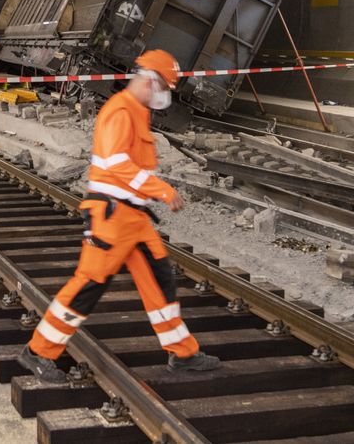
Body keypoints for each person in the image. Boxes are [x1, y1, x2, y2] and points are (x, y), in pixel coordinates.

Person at [18, 49, 221, 381]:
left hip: (133, 218)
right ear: (150, 81)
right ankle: (38, 351)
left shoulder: (137, 111)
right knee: (88, 286)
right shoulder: (120, 110)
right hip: (111, 218)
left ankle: (182, 353)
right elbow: (116, 165)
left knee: (160, 279)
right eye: (161, 87)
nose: (160, 96)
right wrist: (163, 190)